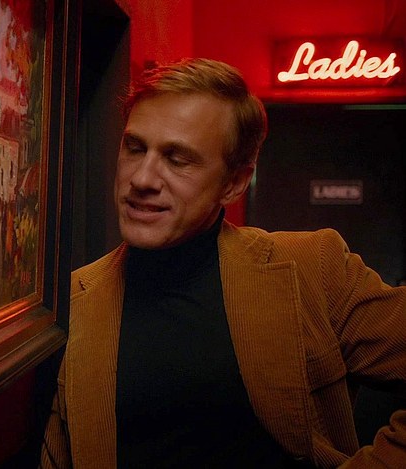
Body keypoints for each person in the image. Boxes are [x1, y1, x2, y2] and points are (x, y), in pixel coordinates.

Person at [40, 58, 406, 467]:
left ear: (233, 183)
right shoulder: (72, 301)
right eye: (135, 148)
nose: (142, 179)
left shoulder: (313, 268)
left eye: (178, 159)